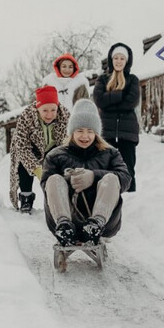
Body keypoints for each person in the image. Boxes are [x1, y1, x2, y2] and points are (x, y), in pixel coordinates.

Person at [41, 99, 131, 246]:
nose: (85, 136)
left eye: (90, 131)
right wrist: (67, 180)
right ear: (72, 132)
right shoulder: (55, 155)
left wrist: (94, 176)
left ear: (96, 133)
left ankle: (94, 225)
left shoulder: (111, 153)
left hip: (104, 221)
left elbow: (126, 179)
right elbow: (45, 184)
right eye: (80, 131)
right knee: (53, 179)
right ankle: (64, 227)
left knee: (112, 178)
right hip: (65, 217)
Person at [9, 85, 70, 213]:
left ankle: (58, 199)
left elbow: (68, 142)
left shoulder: (65, 116)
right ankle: (26, 198)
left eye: (53, 110)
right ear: (38, 108)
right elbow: (22, 147)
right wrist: (37, 169)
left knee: (59, 170)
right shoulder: (26, 117)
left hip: (54, 148)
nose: (50, 114)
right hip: (31, 148)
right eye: (45, 110)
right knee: (23, 167)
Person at [92, 42, 139, 192]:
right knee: (106, 166)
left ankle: (131, 197)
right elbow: (99, 100)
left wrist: (110, 100)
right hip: (107, 132)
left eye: (122, 58)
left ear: (127, 61)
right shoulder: (102, 79)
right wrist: (120, 95)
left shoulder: (133, 79)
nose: (118, 61)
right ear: (111, 60)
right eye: (116, 58)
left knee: (128, 168)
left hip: (127, 133)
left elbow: (131, 102)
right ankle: (106, 194)